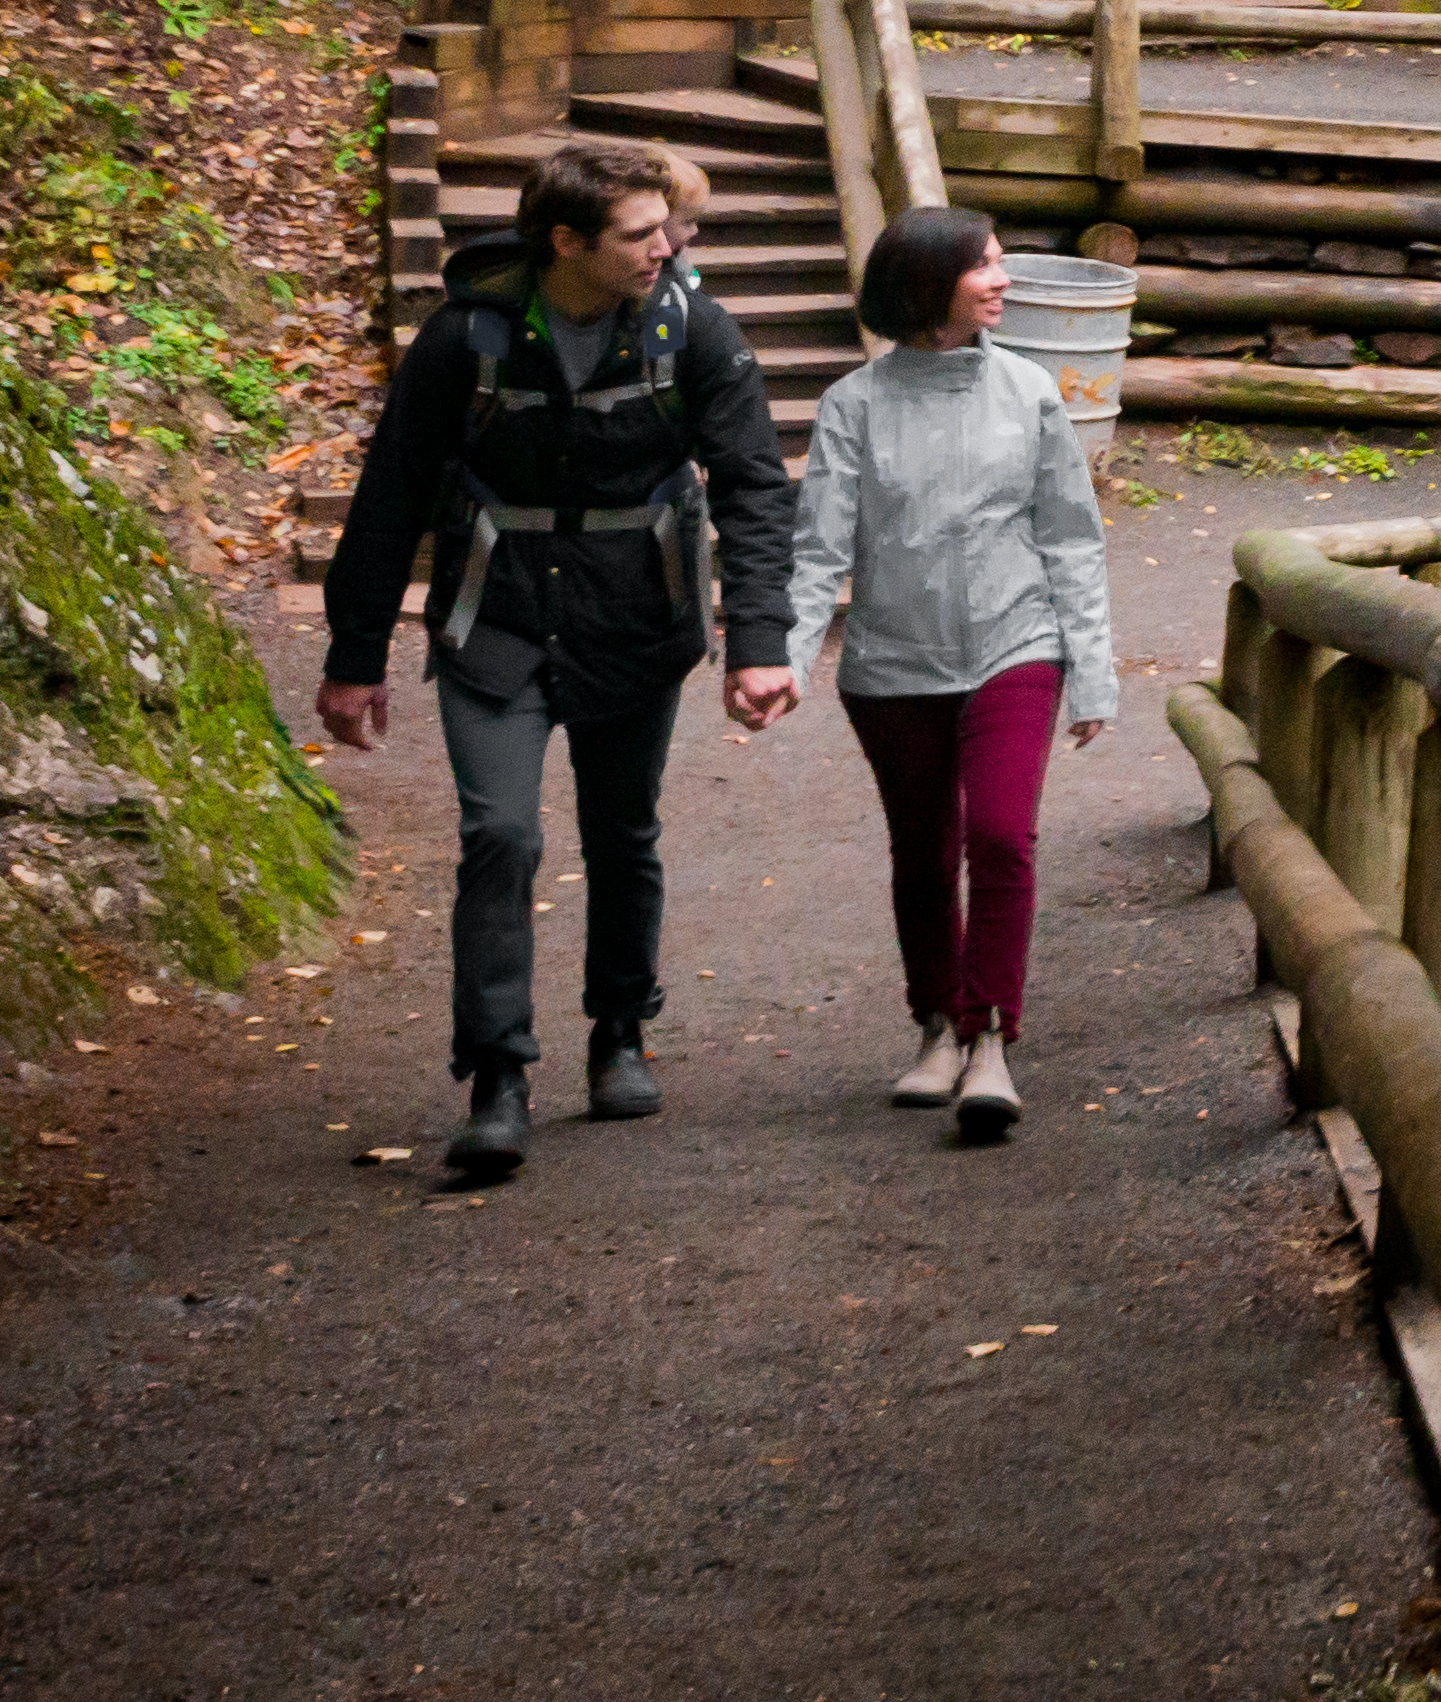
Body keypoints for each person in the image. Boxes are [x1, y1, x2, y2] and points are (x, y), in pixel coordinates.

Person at [318, 141, 800, 1179]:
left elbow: (755, 486)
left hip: (636, 615)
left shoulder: (694, 328)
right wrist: (355, 651)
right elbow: (391, 487)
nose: (667, 247)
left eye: (665, 227)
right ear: (566, 241)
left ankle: (620, 1028)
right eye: (640, 233)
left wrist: (757, 642)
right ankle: (496, 1074)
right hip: (493, 617)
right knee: (500, 832)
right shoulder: (469, 337)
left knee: (623, 829)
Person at [784, 208, 1117, 1144]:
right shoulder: (856, 403)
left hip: (1016, 645)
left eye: (1003, 262)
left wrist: (1092, 672)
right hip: (892, 662)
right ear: (931, 284)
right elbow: (819, 551)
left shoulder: (1029, 392)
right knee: (923, 851)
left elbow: (1071, 541)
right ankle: (937, 1024)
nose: (1004, 280)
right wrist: (793, 655)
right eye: (987, 267)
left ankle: (991, 1042)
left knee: (1003, 838)